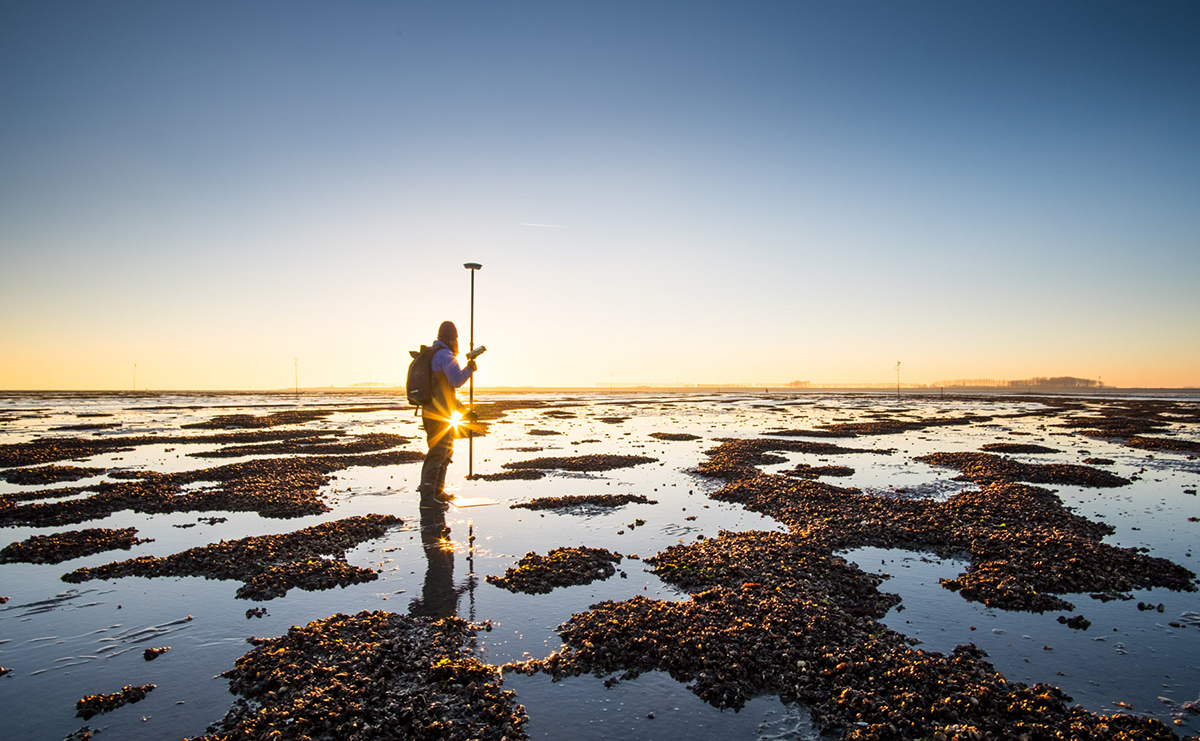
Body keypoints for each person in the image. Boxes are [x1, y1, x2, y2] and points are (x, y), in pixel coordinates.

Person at [417, 320, 477, 510]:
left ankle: (437, 492)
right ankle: (427, 498)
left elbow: (444, 391)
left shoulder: (435, 353)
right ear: (452, 338)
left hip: (434, 412)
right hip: (438, 415)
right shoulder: (445, 354)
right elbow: (457, 381)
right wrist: (470, 368)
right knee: (437, 453)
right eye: (455, 338)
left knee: (445, 451)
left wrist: (464, 412)